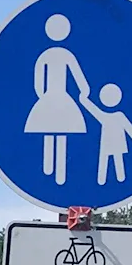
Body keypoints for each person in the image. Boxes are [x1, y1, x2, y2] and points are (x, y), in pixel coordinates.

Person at [25, 12, 90, 186]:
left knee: (51, 130)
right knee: (61, 131)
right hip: (60, 98)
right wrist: (84, 90)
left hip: (50, 98)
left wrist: (43, 97)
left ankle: (52, 169)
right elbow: (79, 77)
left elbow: (38, 81)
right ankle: (56, 171)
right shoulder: (64, 55)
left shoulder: (46, 56)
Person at [79, 84, 132, 188]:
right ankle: (104, 180)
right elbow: (93, 110)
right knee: (108, 160)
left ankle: (111, 179)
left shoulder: (113, 116)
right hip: (109, 143)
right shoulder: (112, 116)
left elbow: (129, 128)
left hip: (112, 142)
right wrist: (84, 101)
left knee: (113, 159)